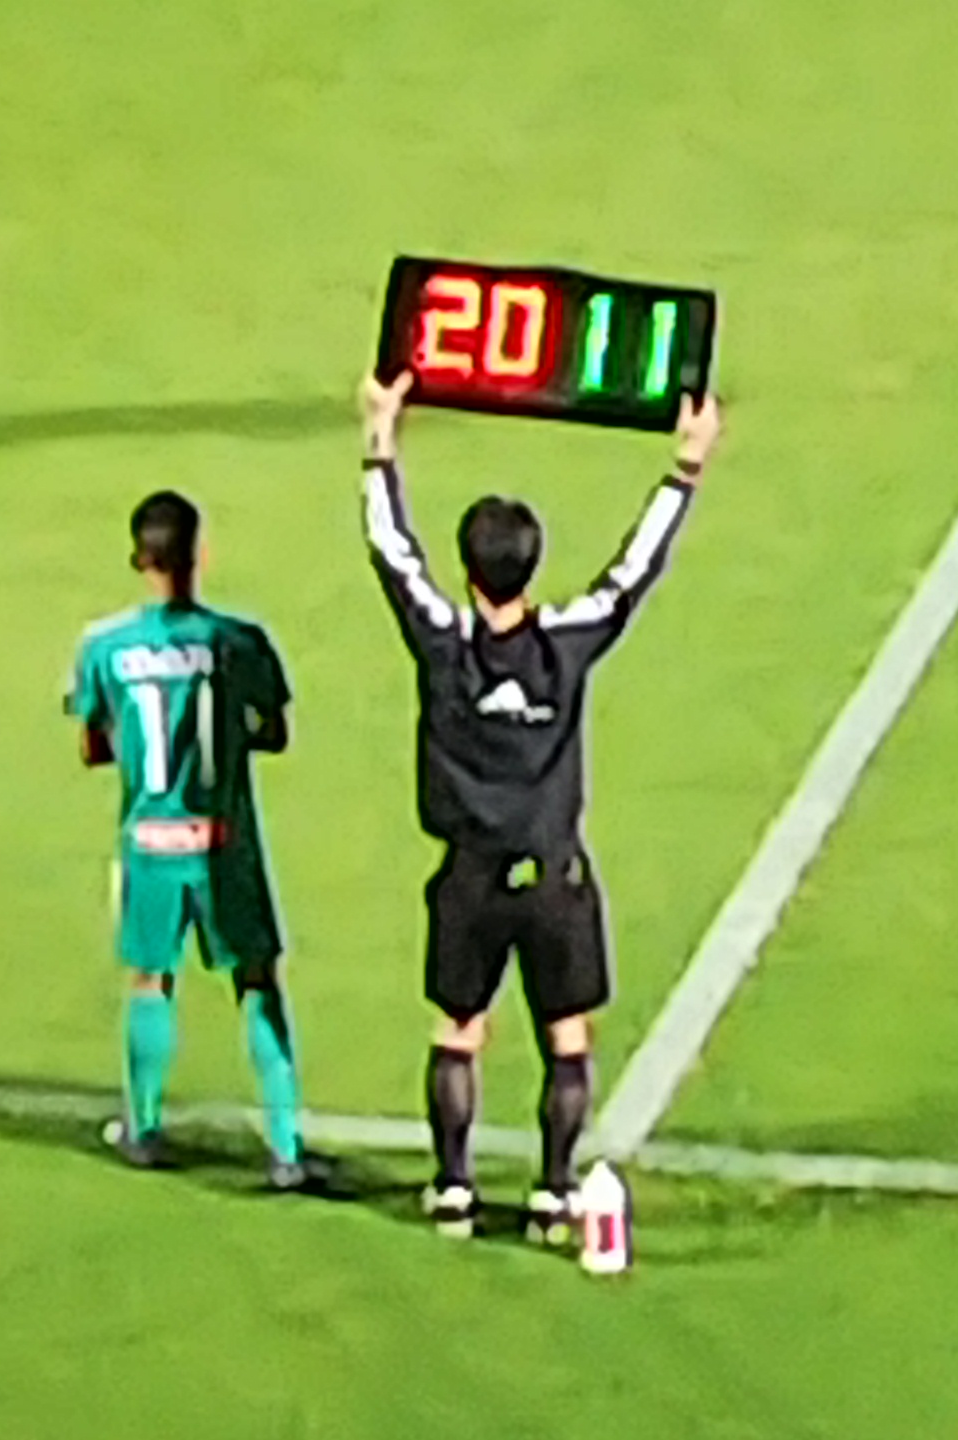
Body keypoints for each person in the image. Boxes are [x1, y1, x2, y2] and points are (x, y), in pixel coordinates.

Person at [357, 370, 722, 1241]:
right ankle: (555, 1189)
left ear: (469, 568)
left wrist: (379, 440)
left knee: (458, 1029)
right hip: (554, 877)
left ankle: (453, 1186)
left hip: (470, 877)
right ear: (530, 564)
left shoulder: (445, 645)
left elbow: (391, 553)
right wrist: (685, 468)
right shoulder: (564, 645)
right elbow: (632, 575)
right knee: (567, 1035)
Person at [69, 491, 318, 1191]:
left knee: (151, 979)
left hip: (151, 841)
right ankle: (287, 1148)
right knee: (257, 979)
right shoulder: (240, 641)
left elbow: (91, 746)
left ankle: (145, 1129)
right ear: (199, 554)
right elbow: (275, 730)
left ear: (138, 558)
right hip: (224, 842)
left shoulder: (105, 648)